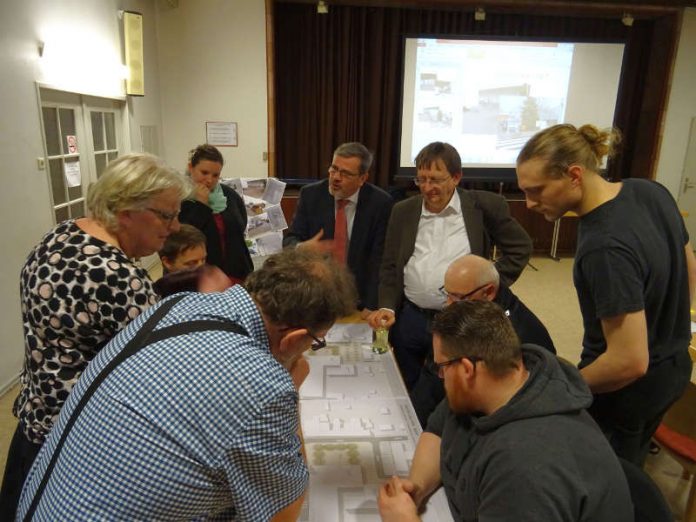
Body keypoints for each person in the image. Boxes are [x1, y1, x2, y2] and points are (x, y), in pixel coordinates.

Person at [17, 249, 357, 521]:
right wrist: (291, 385)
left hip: (41, 504)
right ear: (294, 337)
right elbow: (282, 511)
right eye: (314, 342)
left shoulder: (177, 303)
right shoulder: (262, 383)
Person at [0, 153, 190, 519]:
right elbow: (159, 375)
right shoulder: (119, 277)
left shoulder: (60, 235)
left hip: (34, 425)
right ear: (125, 211)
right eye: (167, 215)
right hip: (79, 447)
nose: (176, 226)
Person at [516, 123, 696, 465]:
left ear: (573, 175)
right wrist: (666, 327)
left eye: (536, 191)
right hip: (675, 370)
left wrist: (563, 385)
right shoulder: (650, 191)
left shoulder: (604, 247)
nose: (528, 204)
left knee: (612, 485)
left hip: (628, 394)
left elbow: (629, 361)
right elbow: (690, 269)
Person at [377, 300, 633, 522]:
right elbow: (438, 430)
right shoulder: (494, 382)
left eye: (442, 367)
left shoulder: (524, 468)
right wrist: (418, 486)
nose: (441, 376)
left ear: (467, 369)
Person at [369, 141, 532, 389]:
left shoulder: (483, 206)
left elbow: (520, 247)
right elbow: (390, 265)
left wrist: (490, 284)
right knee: (408, 380)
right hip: (411, 315)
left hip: (460, 319)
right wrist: (388, 307)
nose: (427, 188)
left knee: (455, 384)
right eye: (421, 180)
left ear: (456, 177)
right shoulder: (403, 211)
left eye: (435, 180)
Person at [409, 253, 556, 425]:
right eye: (447, 294)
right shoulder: (468, 313)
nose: (449, 304)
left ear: (489, 292)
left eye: (456, 297)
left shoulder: (522, 336)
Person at [283, 142, 393, 312]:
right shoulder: (311, 195)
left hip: (358, 297)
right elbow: (289, 240)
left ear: (362, 178)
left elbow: (379, 259)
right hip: (315, 294)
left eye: (345, 174)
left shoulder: (380, 203)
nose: (335, 178)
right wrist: (302, 248)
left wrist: (372, 305)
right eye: (333, 169)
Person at [179, 144, 253, 284]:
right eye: (204, 173)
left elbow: (240, 225)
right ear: (191, 168)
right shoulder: (180, 197)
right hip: (198, 275)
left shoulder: (228, 195)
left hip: (234, 272)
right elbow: (183, 237)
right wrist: (201, 205)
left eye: (215, 175)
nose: (210, 180)